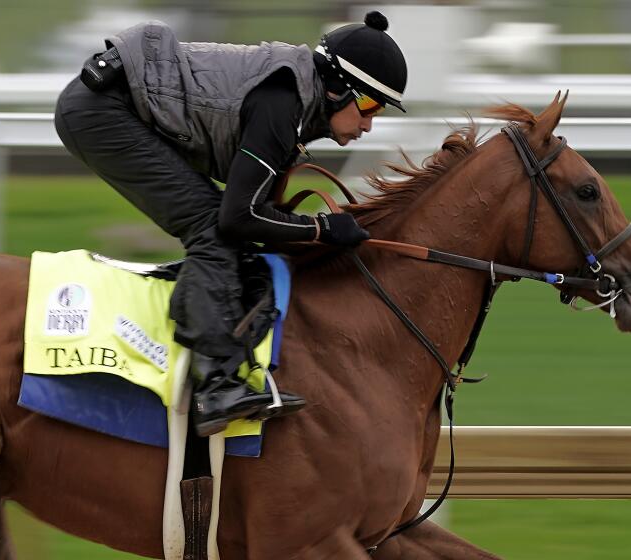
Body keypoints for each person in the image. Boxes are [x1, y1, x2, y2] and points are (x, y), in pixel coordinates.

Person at [54, 11, 408, 437]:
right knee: (212, 225)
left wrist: (314, 232)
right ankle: (216, 386)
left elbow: (261, 219)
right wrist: (322, 230)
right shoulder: (283, 108)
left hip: (117, 102)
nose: (370, 123)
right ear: (336, 89)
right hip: (100, 111)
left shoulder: (298, 106)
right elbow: (240, 218)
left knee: (224, 227)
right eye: (369, 105)